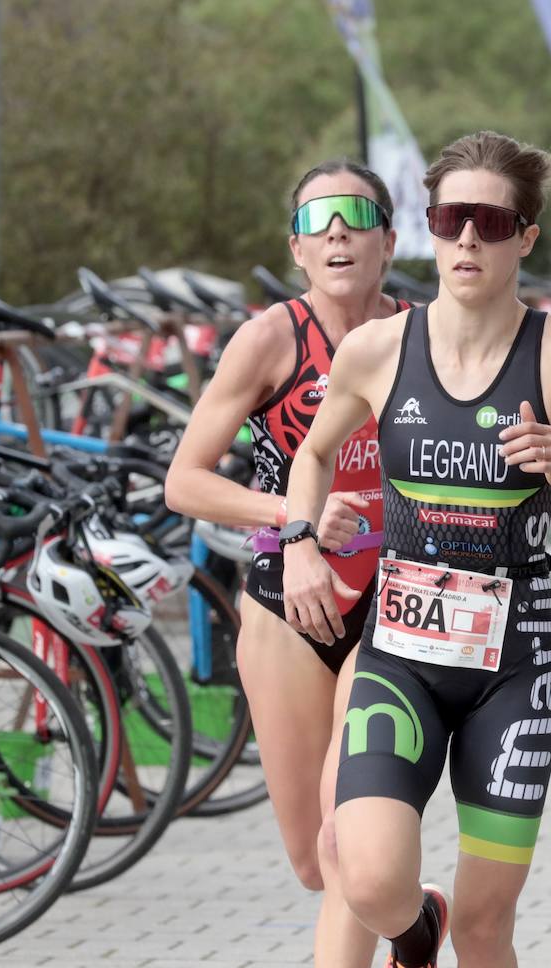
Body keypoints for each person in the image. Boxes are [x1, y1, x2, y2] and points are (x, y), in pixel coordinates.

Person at [280, 130, 551, 968]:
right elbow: (311, 453)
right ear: (429, 228)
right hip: (399, 657)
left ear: (525, 235)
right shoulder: (377, 349)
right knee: (370, 881)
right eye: (452, 219)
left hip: (511, 673)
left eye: (491, 221)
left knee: (486, 933)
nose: (469, 241)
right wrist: (300, 538)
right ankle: (419, 928)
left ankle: (455, 929)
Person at [165, 159, 411, 966]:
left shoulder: (423, 337)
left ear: (389, 239)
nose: (336, 230)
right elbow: (185, 481)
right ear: (297, 250)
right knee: (313, 862)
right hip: (285, 606)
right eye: (316, 220)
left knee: (348, 836)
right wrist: (294, 519)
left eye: (355, 214)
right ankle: (415, 922)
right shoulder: (271, 338)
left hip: (393, 609)